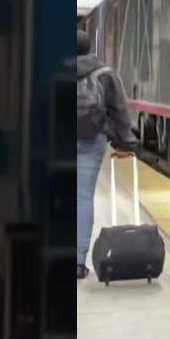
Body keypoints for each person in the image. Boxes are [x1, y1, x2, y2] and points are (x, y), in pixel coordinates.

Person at [72, 29, 139, 280]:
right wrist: (125, 142)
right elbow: (119, 111)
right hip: (92, 140)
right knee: (82, 198)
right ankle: (78, 262)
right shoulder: (105, 74)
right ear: (89, 48)